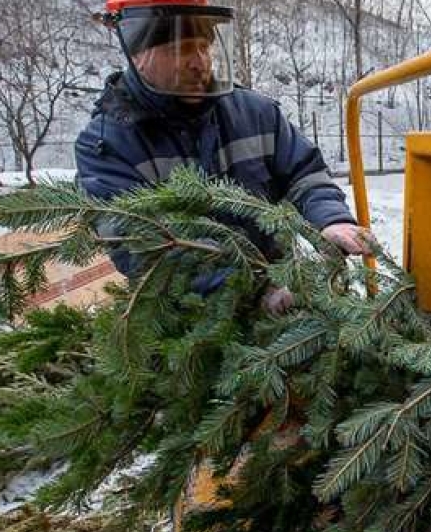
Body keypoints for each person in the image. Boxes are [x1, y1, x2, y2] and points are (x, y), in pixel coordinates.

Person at [76, 0, 374, 312]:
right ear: (137, 55)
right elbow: (143, 247)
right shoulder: (106, 145)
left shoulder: (256, 113)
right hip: (184, 321)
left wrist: (329, 220)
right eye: (182, 49)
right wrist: (252, 287)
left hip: (282, 288)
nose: (199, 62)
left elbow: (305, 174)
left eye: (204, 47)